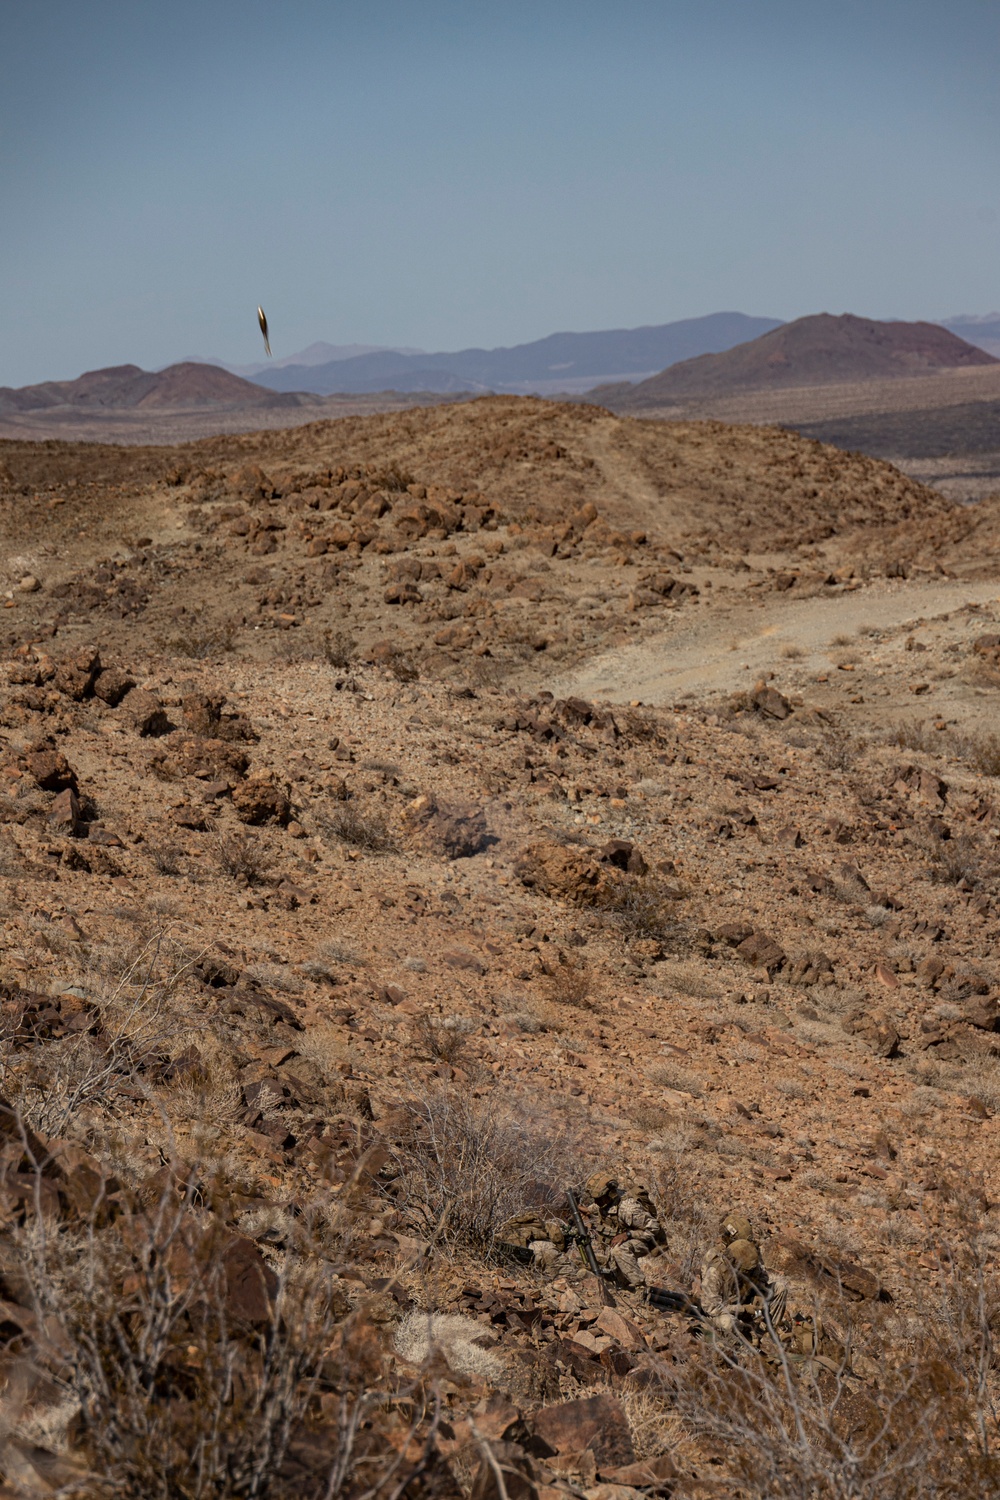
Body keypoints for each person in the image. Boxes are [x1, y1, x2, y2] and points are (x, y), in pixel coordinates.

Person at [700, 1211, 786, 1341]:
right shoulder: (716, 1267)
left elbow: (762, 1276)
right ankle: (743, 1339)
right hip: (725, 1307)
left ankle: (770, 1333)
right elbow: (711, 1306)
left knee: (780, 1288)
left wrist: (758, 1294)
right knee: (727, 1322)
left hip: (745, 1299)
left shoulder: (748, 1255)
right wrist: (743, 1309)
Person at [584, 1173, 665, 1289]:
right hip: (631, 1238)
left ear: (609, 1194)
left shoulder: (627, 1209)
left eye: (598, 1199)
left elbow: (654, 1228)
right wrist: (583, 1209)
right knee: (613, 1260)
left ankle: (640, 1287)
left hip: (647, 1239)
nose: (596, 1202)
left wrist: (628, 1234)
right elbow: (597, 1208)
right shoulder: (609, 1201)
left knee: (619, 1250)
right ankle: (623, 1283)